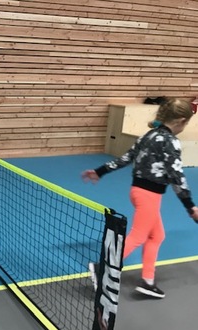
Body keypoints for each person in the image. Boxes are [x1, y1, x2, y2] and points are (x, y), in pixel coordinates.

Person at [82, 98, 198, 298]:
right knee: (139, 236)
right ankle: (101, 267)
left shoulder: (149, 135)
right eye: (186, 123)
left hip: (137, 192)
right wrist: (191, 207)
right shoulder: (170, 142)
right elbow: (177, 177)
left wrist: (100, 171)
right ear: (180, 121)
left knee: (157, 236)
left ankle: (148, 281)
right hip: (149, 196)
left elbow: (125, 158)